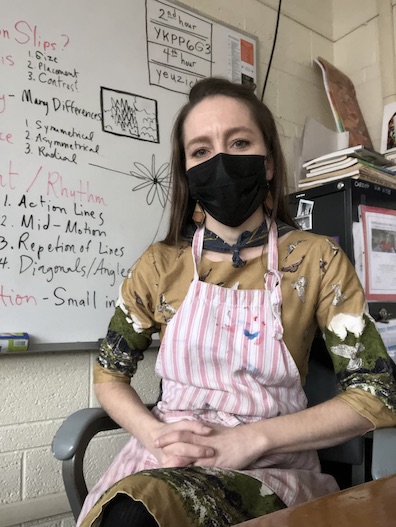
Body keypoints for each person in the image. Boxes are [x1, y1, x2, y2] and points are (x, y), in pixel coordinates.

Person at [78, 77, 396, 527]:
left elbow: (377, 395)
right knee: (134, 510)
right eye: (201, 151)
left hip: (271, 470)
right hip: (165, 462)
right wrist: (155, 434)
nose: (221, 161)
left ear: (267, 163)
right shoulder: (159, 265)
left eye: (239, 142)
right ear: (187, 169)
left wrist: (253, 439)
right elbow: (109, 373)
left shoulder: (314, 260)